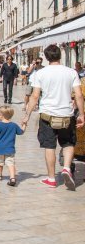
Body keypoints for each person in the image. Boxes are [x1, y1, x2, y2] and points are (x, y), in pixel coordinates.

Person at [21, 44, 85, 189]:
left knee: (49, 146)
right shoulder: (71, 72)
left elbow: (35, 96)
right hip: (67, 114)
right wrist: (81, 114)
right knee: (68, 143)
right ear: (60, 56)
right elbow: (79, 95)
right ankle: (67, 168)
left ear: (46, 57)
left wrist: (27, 116)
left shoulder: (40, 74)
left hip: (47, 115)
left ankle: (51, 178)